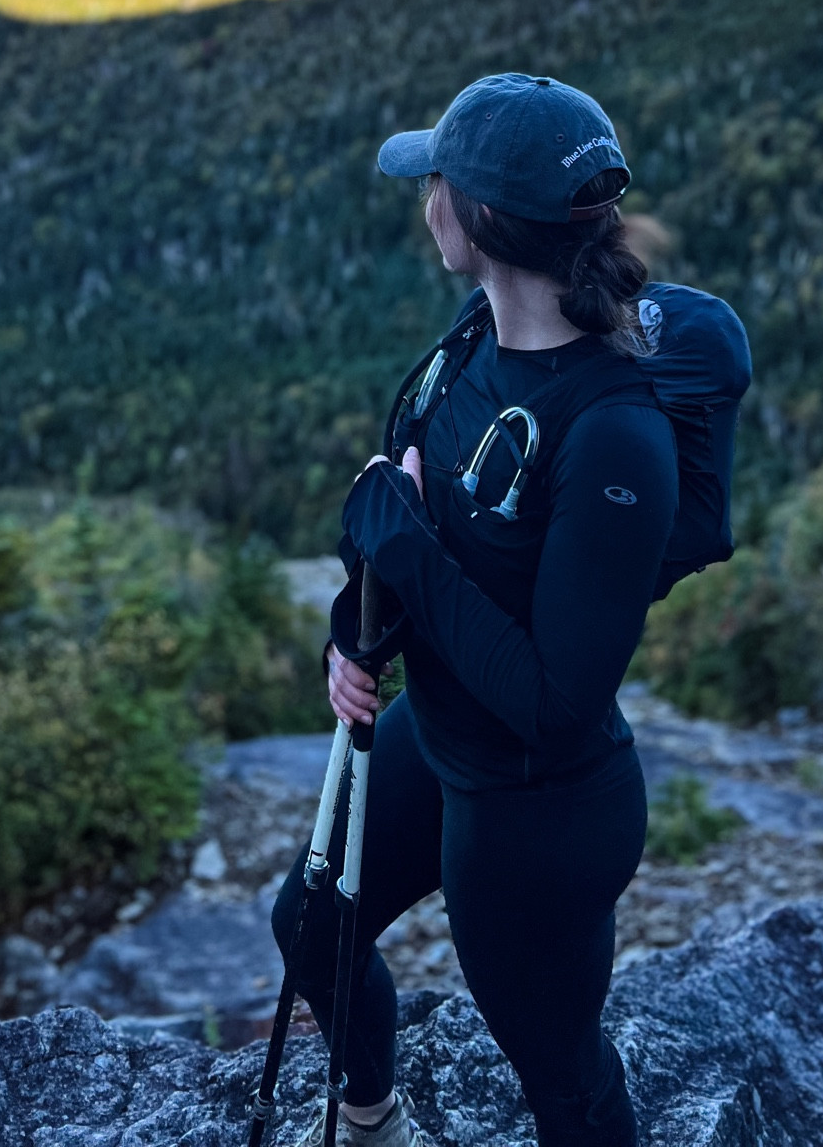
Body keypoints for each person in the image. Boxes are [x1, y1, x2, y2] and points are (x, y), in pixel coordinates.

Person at [272, 72, 679, 1147]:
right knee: (311, 926)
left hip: (541, 811)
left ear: (481, 217)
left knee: (559, 1073)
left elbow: (556, 701)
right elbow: (430, 518)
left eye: (436, 183)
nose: (425, 201)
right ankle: (373, 1119)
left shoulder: (614, 436)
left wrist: (404, 544)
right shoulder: (471, 342)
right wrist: (359, 623)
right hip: (446, 734)